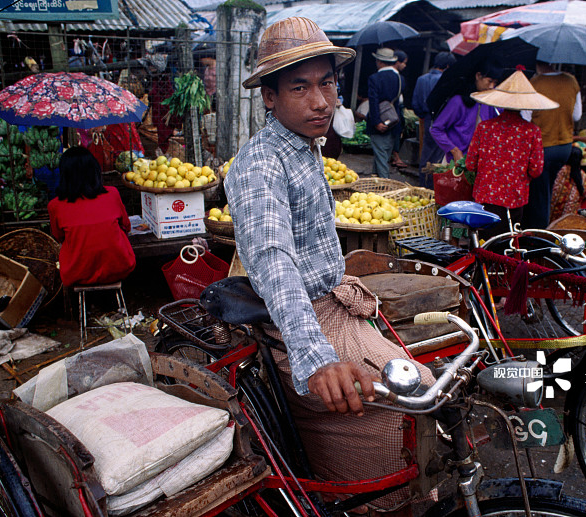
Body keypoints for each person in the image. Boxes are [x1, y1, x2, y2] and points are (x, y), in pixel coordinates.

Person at [225, 17, 434, 513]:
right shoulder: (260, 165)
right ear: (269, 97)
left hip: (339, 306)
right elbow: (275, 264)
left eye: (327, 83)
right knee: (409, 414)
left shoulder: (304, 148)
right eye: (301, 87)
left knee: (430, 393)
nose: (321, 101)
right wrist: (315, 358)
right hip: (303, 326)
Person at [465, 70, 555, 239]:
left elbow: (470, 164)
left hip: (485, 197)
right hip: (514, 199)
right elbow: (536, 170)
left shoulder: (485, 128)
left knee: (483, 242)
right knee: (508, 243)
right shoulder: (531, 131)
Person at [48, 146, 136, 287]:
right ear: (94, 170)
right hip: (120, 267)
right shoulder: (112, 193)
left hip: (77, 274)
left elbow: (59, 237)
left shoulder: (55, 205)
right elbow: (126, 226)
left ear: (64, 174)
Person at [521, 61, 582, 230]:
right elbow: (577, 116)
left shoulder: (534, 83)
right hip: (564, 146)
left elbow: (525, 119)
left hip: (541, 147)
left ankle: (539, 234)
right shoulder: (571, 81)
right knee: (545, 189)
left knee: (540, 194)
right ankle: (541, 229)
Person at [428, 60, 502, 164]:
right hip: (455, 162)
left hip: (479, 163)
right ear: (478, 76)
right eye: (490, 81)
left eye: (495, 83)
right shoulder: (458, 102)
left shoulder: (490, 104)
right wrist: (454, 150)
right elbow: (436, 129)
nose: (491, 86)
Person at [412, 52, 456, 185]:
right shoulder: (446, 80)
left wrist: (424, 116)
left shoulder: (421, 79)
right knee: (438, 157)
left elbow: (415, 103)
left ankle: (422, 185)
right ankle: (432, 187)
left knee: (426, 154)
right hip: (442, 122)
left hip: (427, 120)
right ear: (448, 66)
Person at [366, 47, 404, 178]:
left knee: (381, 157)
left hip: (379, 123)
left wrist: (377, 122)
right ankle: (375, 180)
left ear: (379, 61)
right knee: (383, 154)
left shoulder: (374, 78)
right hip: (394, 121)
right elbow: (399, 103)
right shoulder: (400, 79)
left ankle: (384, 185)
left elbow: (373, 102)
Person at [390, 50, 410, 169]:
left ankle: (394, 156)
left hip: (395, 108)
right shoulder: (398, 78)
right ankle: (396, 157)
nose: (405, 66)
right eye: (404, 62)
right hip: (395, 109)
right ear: (397, 62)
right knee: (396, 132)